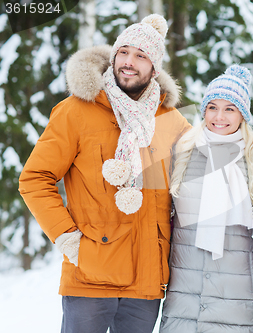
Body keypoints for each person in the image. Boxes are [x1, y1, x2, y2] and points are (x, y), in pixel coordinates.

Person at [18, 14, 191, 333]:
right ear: (113, 57)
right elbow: (34, 179)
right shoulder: (76, 110)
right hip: (90, 280)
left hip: (146, 284)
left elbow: (205, 164)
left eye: (141, 56)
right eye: (123, 52)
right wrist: (67, 238)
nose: (129, 62)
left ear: (154, 68)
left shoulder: (169, 119)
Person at [159, 65, 253, 333]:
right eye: (213, 107)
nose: (219, 116)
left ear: (243, 115)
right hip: (184, 292)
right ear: (204, 110)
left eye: (230, 108)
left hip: (234, 294)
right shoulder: (183, 151)